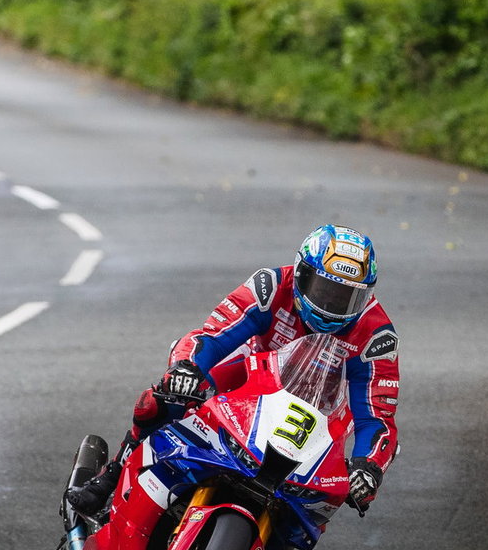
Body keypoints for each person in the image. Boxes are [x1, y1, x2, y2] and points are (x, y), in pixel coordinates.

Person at [66, 223, 400, 522]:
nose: (332, 305)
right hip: (252, 378)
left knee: (328, 496)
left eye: (348, 298)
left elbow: (377, 417)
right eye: (325, 290)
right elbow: (212, 335)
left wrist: (368, 466)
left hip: (316, 417)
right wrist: (187, 367)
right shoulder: (271, 285)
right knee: (165, 396)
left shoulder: (376, 335)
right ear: (301, 275)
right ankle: (112, 475)